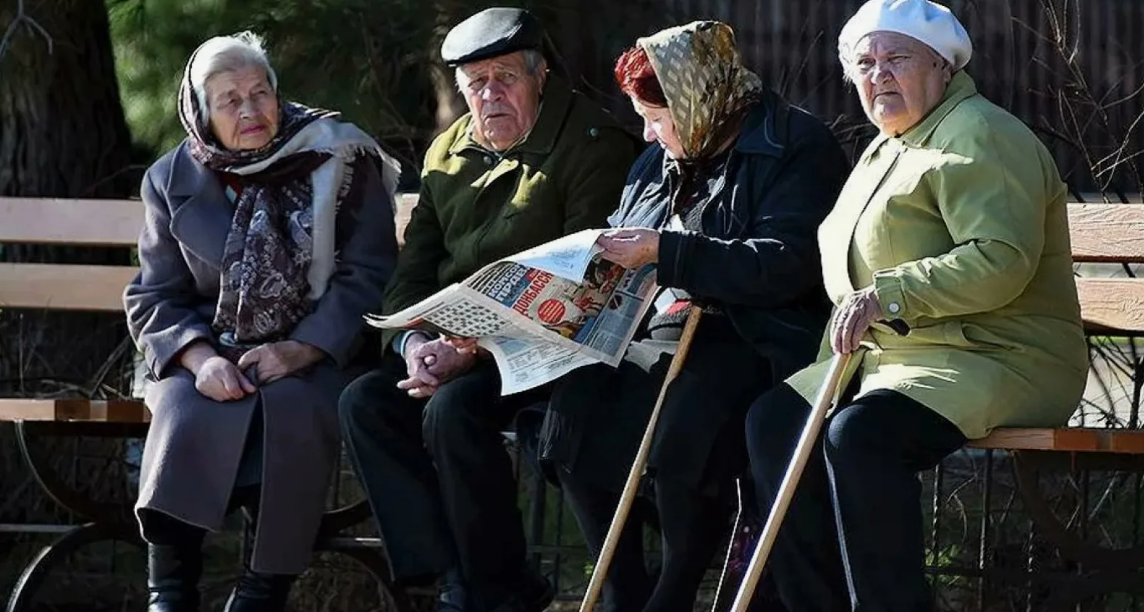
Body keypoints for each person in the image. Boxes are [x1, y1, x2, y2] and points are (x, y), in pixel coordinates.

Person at [744, 1, 1089, 611]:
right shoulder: (887, 146)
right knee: (775, 423)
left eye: (896, 58)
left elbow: (1000, 258)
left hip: (999, 354)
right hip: (898, 362)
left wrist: (889, 294)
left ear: (943, 66)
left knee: (861, 436)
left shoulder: (978, 134)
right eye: (865, 63)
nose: (879, 74)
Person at [536, 21, 850, 612]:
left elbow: (786, 265)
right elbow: (623, 229)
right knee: (573, 407)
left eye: (658, 118)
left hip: (756, 335)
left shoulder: (794, 145)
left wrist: (666, 252)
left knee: (686, 418)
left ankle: (674, 590)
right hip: (659, 330)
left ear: (698, 99)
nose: (649, 135)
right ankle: (623, 593)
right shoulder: (660, 158)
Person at [336, 8, 639, 612]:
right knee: (365, 402)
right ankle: (453, 579)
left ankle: (498, 590)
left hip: (554, 347)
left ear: (541, 75)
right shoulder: (449, 151)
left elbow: (584, 280)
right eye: (476, 84)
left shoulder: (591, 146)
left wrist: (471, 351)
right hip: (457, 347)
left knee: (453, 412)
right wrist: (413, 343)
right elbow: (414, 270)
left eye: (506, 78)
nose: (490, 95)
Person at [124, 31, 400, 612]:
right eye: (229, 100)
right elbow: (154, 296)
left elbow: (368, 274)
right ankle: (169, 593)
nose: (250, 110)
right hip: (208, 351)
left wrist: (302, 348)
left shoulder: (340, 156)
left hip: (320, 347)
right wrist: (198, 361)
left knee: (292, 408)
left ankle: (261, 591)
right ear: (200, 113)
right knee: (181, 407)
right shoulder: (170, 178)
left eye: (260, 93)